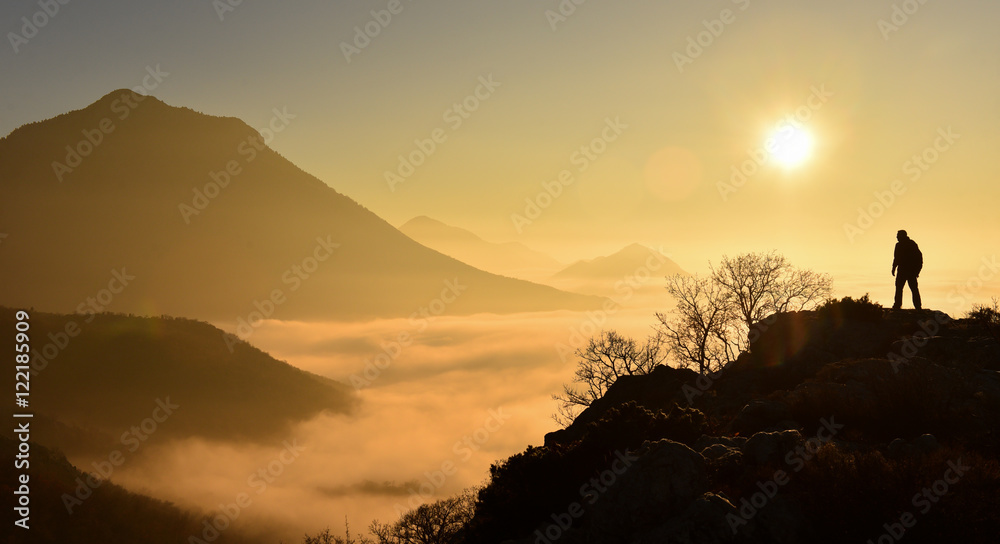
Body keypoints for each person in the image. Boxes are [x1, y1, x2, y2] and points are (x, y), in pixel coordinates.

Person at [891, 229, 922, 310]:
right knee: (899, 288)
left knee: (913, 289)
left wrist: (917, 271)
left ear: (902, 236)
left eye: (898, 235)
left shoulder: (912, 244)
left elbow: (919, 258)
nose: (897, 237)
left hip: (911, 271)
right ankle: (897, 305)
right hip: (901, 270)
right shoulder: (898, 245)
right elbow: (896, 258)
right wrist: (893, 268)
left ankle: (918, 306)